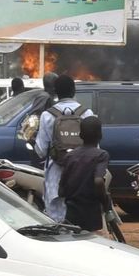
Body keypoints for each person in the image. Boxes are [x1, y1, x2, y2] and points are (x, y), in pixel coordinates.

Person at [34, 76, 93, 222]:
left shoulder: (47, 115)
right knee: (79, 225)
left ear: (55, 92)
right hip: (81, 177)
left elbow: (41, 150)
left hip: (56, 178)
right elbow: (94, 149)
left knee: (56, 224)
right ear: (74, 91)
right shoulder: (87, 114)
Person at [58, 116, 113, 233]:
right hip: (91, 212)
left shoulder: (70, 156)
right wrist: (104, 201)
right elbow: (98, 181)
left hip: (71, 212)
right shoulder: (101, 155)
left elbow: (61, 189)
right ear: (100, 135)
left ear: (80, 135)